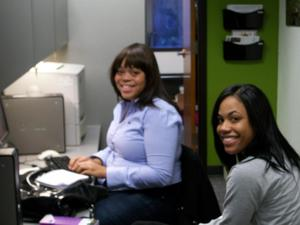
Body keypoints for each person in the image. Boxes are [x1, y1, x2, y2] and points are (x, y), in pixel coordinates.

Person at [68, 43, 183, 225]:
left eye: (134, 73)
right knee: (70, 205)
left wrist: (106, 172)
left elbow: (161, 175)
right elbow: (115, 149)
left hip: (154, 196)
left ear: (149, 77)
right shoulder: (125, 106)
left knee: (90, 219)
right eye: (120, 72)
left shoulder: (160, 114)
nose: (125, 78)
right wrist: (96, 159)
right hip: (124, 188)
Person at [200, 84, 300, 225]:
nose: (223, 128)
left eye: (234, 119)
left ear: (257, 121)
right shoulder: (285, 156)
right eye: (220, 120)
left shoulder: (246, 173)